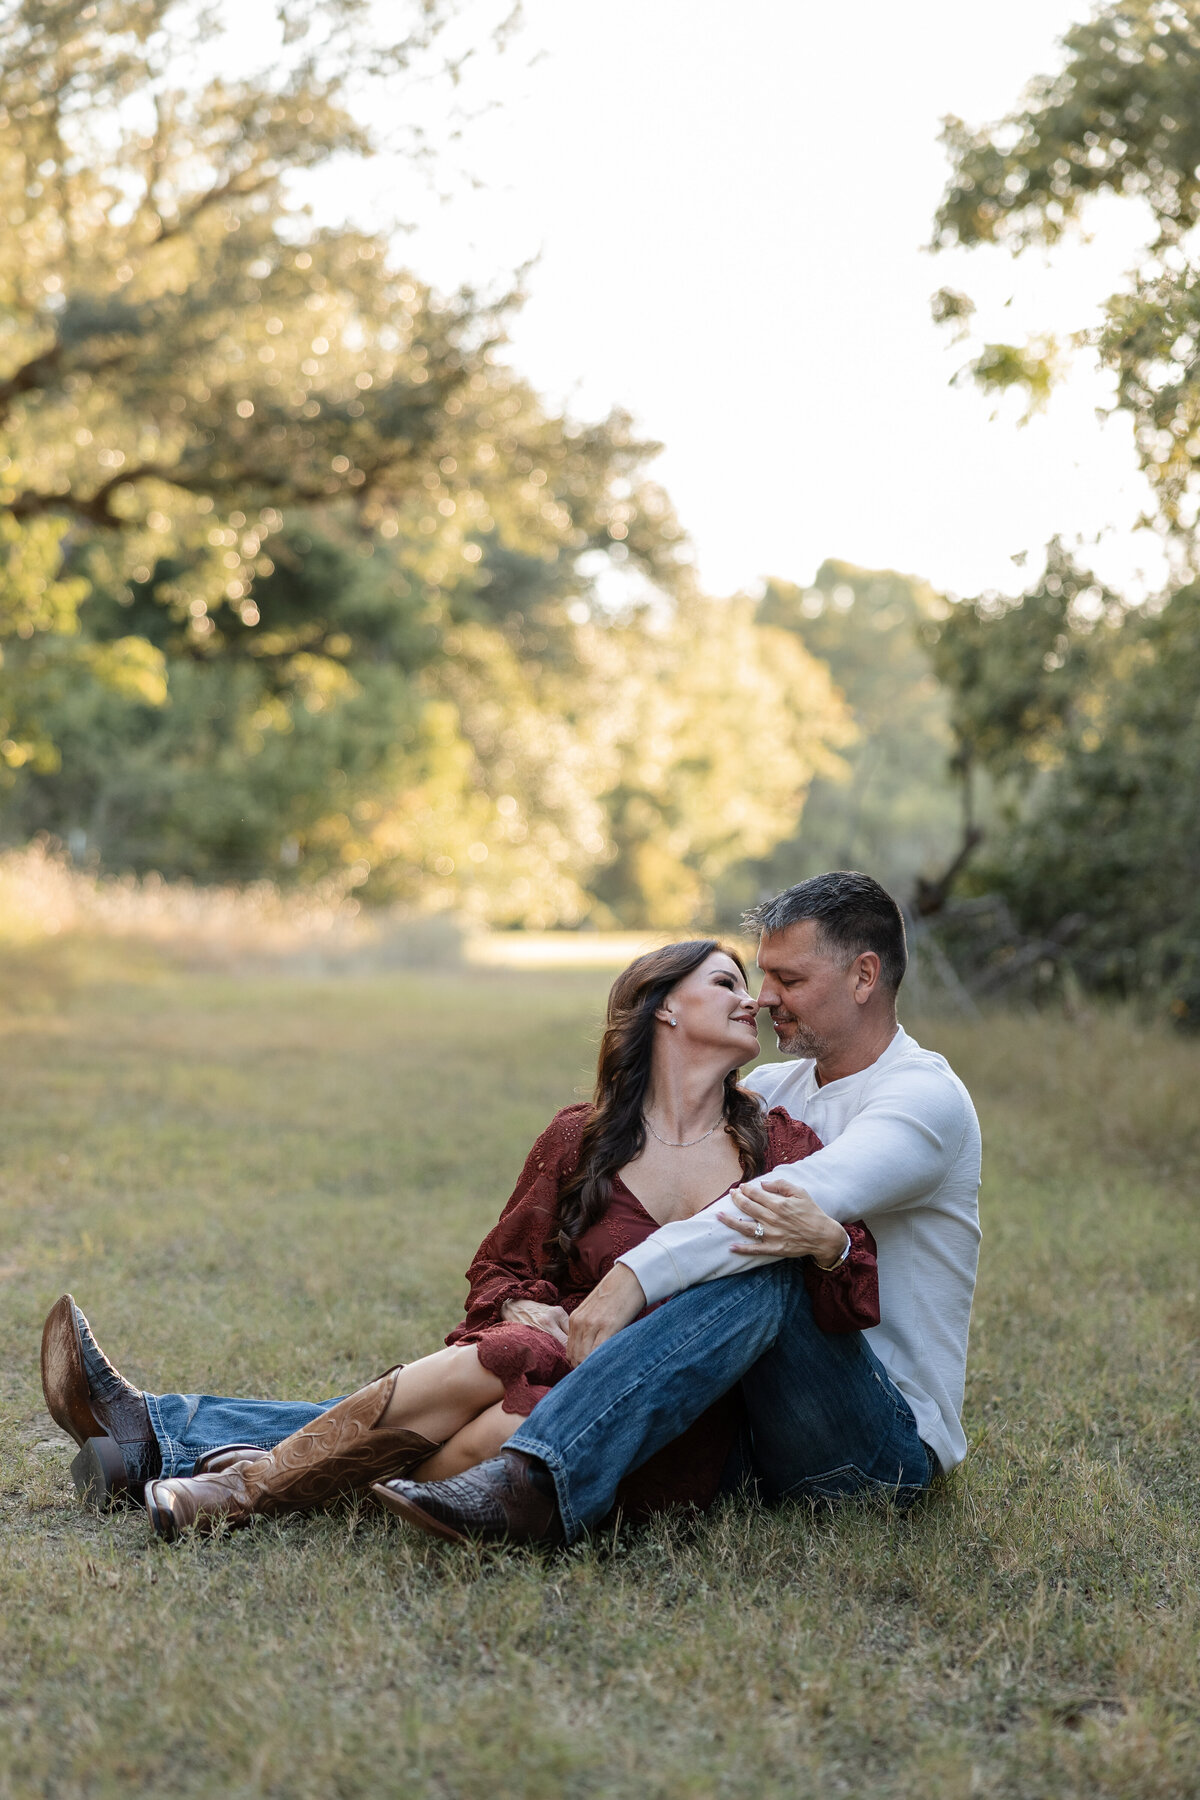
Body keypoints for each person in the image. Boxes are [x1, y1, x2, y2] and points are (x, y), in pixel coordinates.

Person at [39, 938, 879, 1539]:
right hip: (542, 1384)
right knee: (516, 1357)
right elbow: (501, 1271)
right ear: (662, 1010)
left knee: (508, 1391)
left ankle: (199, 1453)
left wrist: (826, 1244)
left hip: (672, 1424)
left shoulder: (780, 1146)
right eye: (728, 981)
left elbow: (850, 1294)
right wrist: (533, 1309)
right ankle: (219, 1475)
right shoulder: (579, 1140)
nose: (755, 1001)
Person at [372, 871, 982, 1547]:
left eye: (789, 979)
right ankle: (252, 1441)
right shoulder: (775, 1090)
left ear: (865, 976)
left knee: (765, 1258)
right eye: (761, 976)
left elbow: (777, 1209)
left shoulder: (923, 1102)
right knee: (438, 1405)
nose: (764, 996)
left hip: (876, 1444)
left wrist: (630, 1278)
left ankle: (537, 1485)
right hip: (749, 1437)